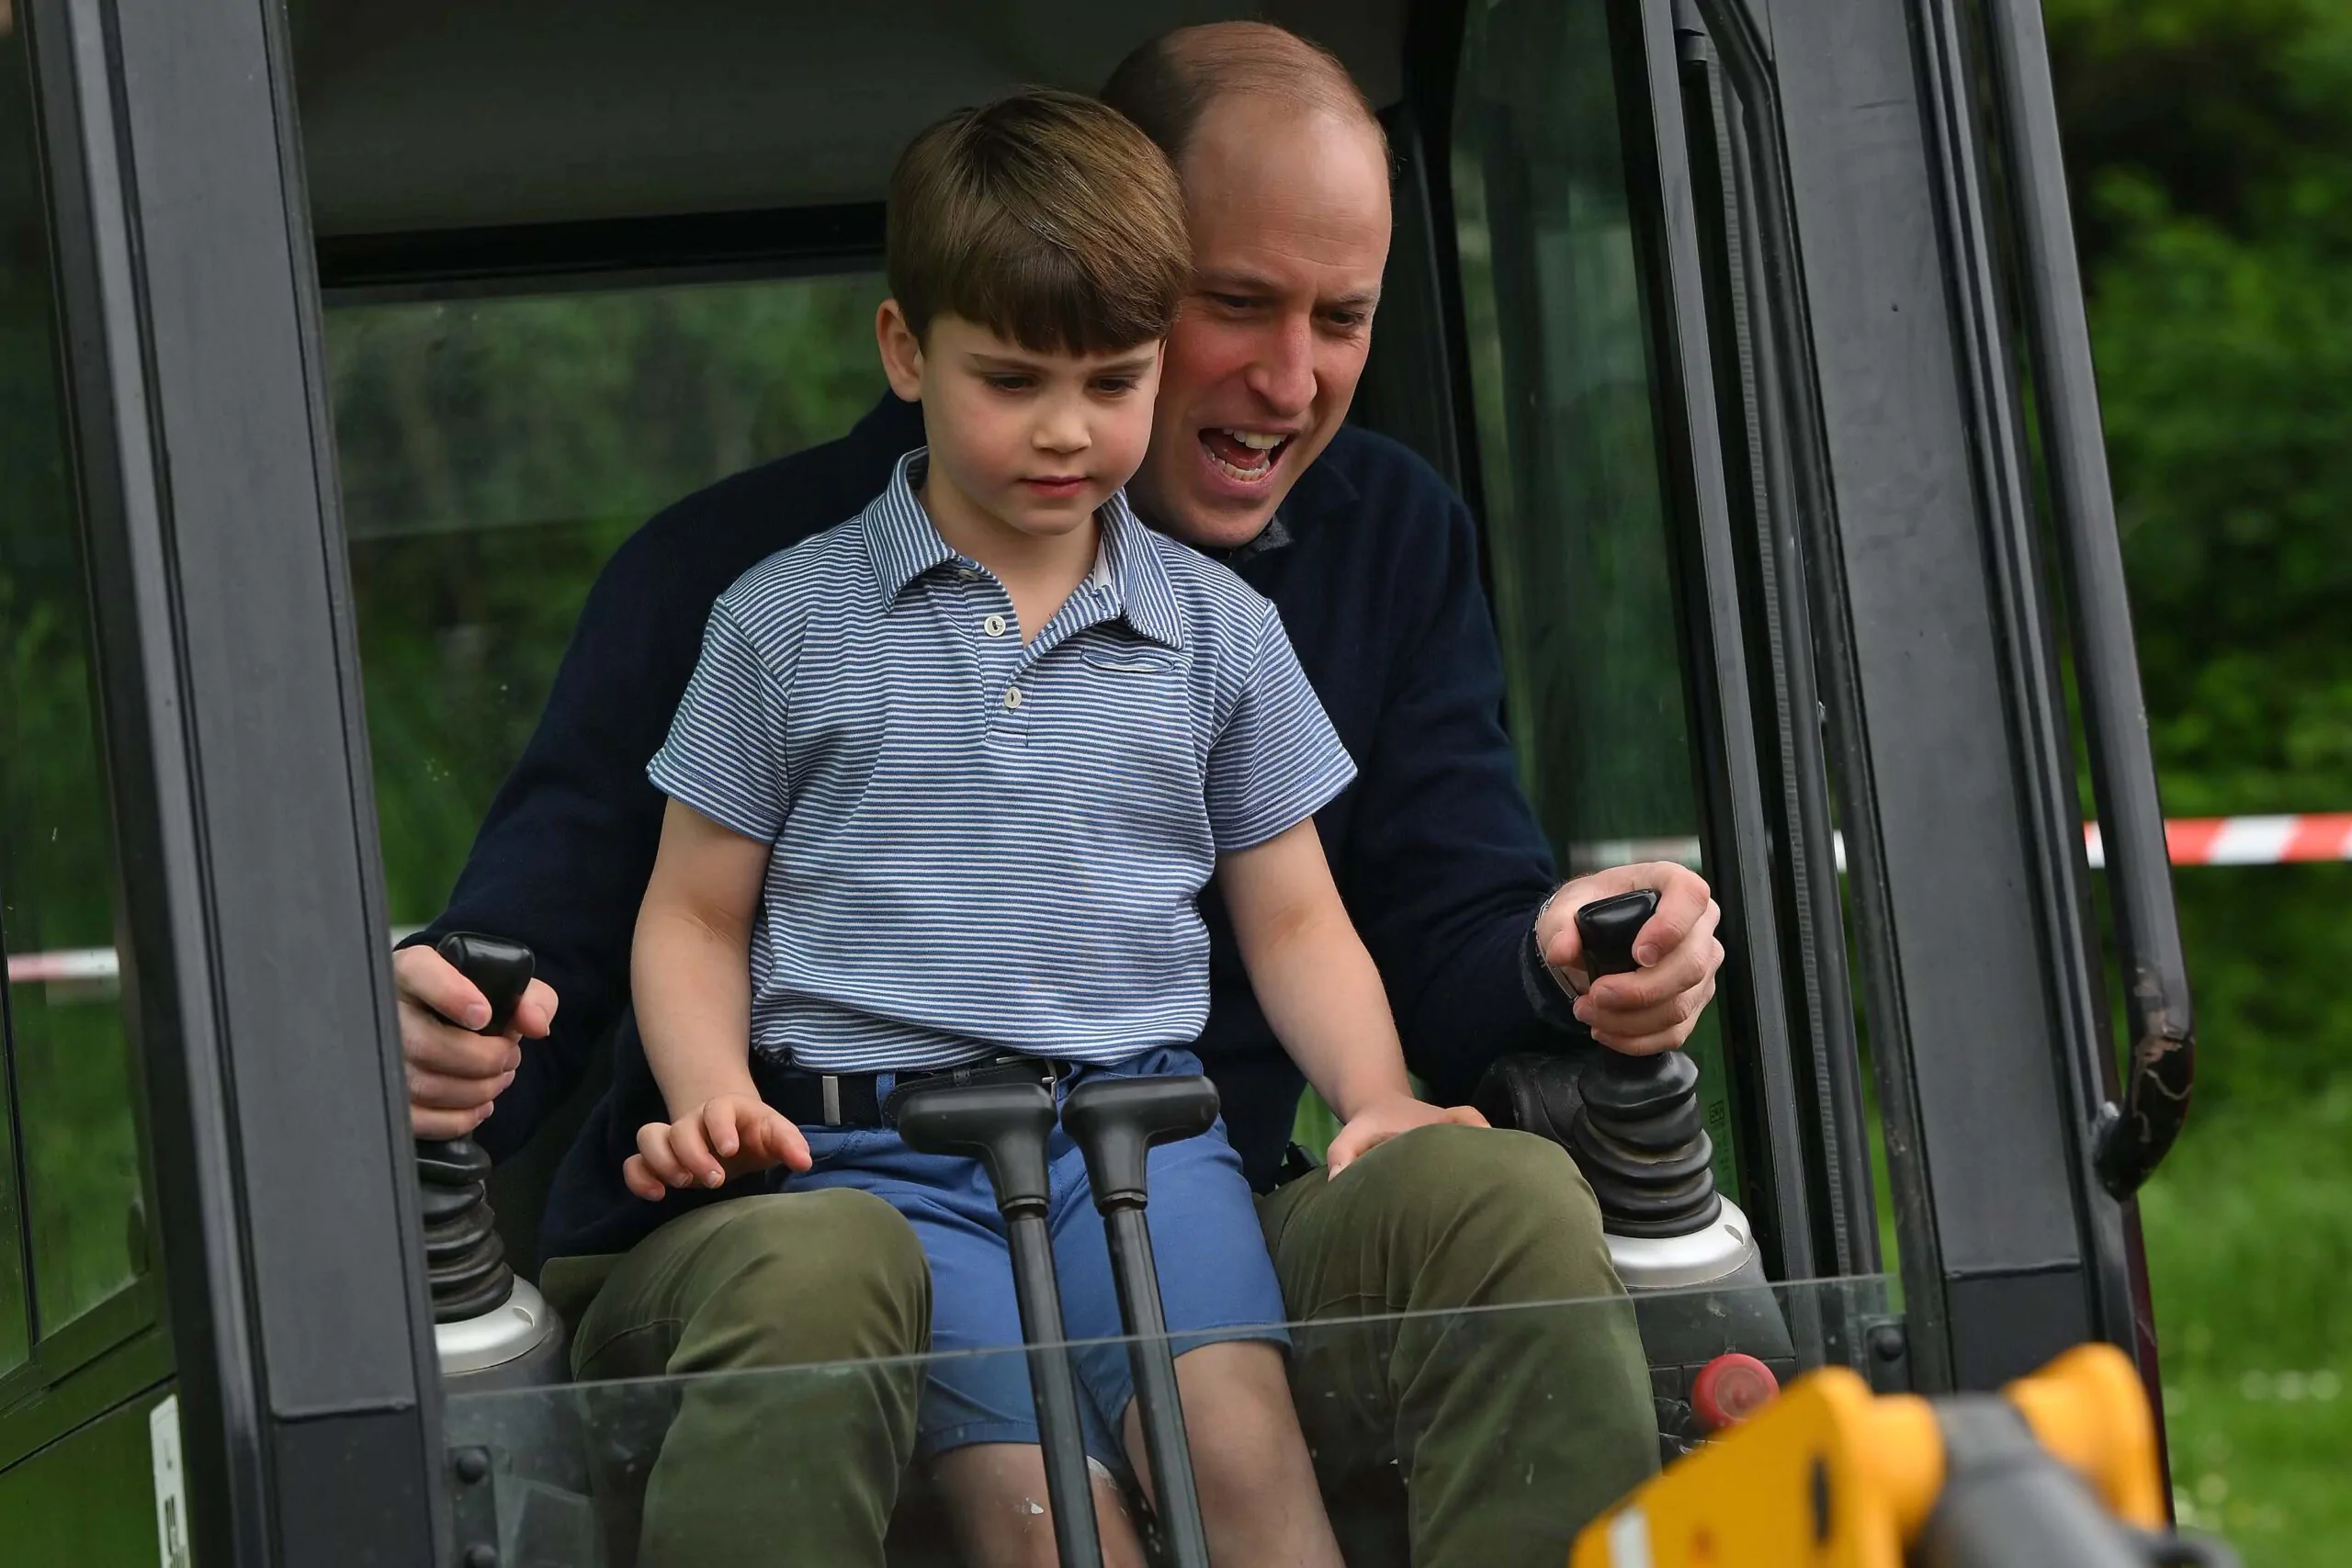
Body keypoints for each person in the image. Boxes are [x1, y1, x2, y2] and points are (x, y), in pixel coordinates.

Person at [398, 21, 1725, 1568]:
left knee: (1500, 1207)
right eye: (1238, 303)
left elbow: (1403, 915)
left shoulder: (1361, 555)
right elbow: (574, 934)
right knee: (865, 1318)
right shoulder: (751, 595)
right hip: (830, 1196)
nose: (1292, 378)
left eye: (1344, 318)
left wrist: (1553, 954)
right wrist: (460, 1028)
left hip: (1177, 1176)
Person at [625, 87, 1471, 1567]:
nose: (1069, 433)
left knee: (1247, 1474)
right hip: (884, 1158)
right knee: (1039, 1524)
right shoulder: (779, 621)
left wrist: (1380, 1092)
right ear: (907, 351)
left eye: (1116, 381)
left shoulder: (1218, 628)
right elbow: (695, 912)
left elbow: (1293, 916)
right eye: (1013, 380)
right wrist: (711, 1096)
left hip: (1147, 1137)